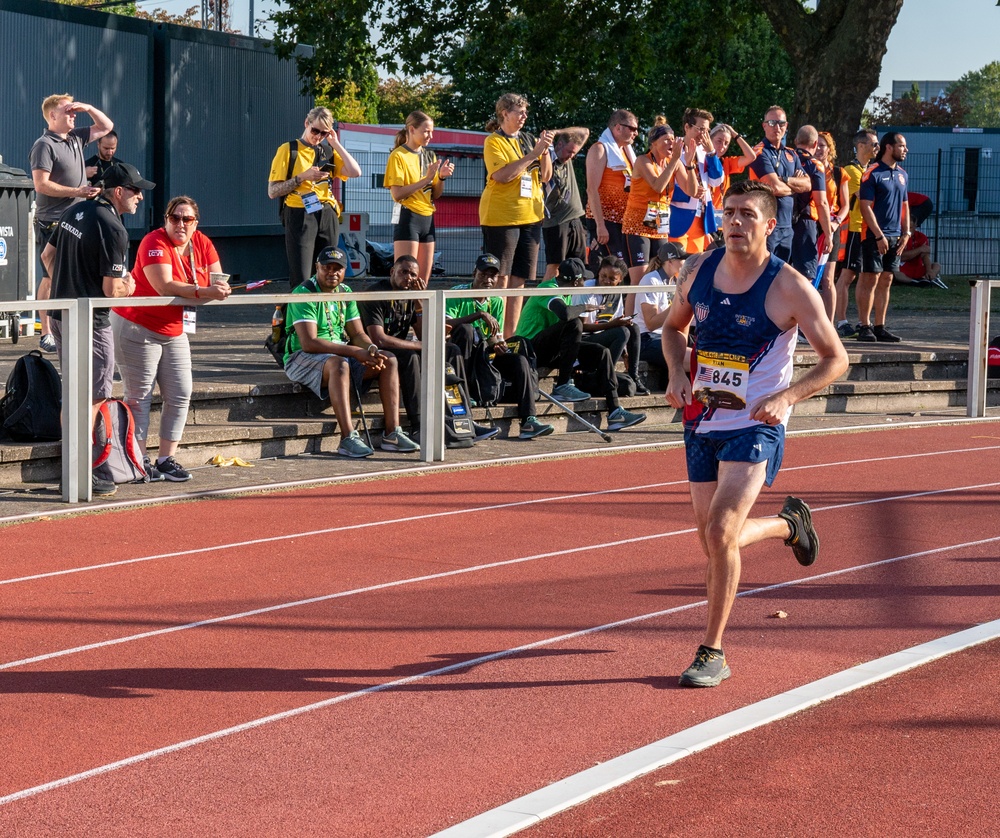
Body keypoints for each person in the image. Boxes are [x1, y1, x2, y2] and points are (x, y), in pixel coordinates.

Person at [661, 180, 848, 687]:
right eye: (729, 213)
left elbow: (837, 360)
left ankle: (712, 651)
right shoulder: (699, 269)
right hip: (701, 419)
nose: (736, 222)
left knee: (721, 531)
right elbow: (673, 328)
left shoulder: (789, 286)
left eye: (747, 214)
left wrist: (786, 397)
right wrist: (677, 373)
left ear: (769, 225)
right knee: (712, 539)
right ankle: (789, 526)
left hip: (756, 423)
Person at [41, 162, 153, 497]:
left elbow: (48, 257)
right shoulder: (114, 228)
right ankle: (81, 472)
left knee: (73, 393)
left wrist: (68, 282)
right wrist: (130, 286)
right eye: (135, 191)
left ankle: (69, 468)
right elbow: (111, 290)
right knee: (93, 397)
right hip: (91, 323)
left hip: (62, 314)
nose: (139, 199)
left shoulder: (76, 211)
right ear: (118, 192)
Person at [111, 195, 232, 482]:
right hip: (136, 325)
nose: (180, 223)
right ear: (165, 220)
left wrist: (217, 289)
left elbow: (218, 279)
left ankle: (166, 458)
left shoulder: (202, 242)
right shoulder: (153, 241)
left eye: (186, 219)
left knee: (181, 392)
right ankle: (139, 461)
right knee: (139, 397)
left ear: (195, 223)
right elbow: (163, 285)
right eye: (174, 218)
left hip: (174, 327)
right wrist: (204, 291)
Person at [282, 246, 418, 458]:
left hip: (339, 354)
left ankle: (392, 433)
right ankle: (347, 438)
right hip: (301, 357)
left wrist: (371, 348)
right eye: (327, 267)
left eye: (338, 268)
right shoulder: (304, 292)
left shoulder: (345, 292)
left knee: (388, 359)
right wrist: (355, 352)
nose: (332, 272)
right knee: (339, 364)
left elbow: (357, 334)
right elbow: (309, 343)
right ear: (317, 267)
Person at [358, 255, 497, 442]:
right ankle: (418, 426)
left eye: (413, 274)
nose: (408, 278)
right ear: (392, 272)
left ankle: (465, 419)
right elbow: (379, 339)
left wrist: (419, 303)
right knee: (411, 356)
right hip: (375, 350)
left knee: (452, 350)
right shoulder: (376, 294)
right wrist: (419, 345)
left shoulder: (411, 294)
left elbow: (425, 335)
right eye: (403, 272)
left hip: (400, 346)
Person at [514, 257, 645, 431]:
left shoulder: (567, 294)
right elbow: (565, 314)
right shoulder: (548, 288)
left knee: (602, 352)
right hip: (530, 347)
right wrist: (584, 307)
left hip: (553, 350)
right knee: (575, 323)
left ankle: (615, 412)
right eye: (583, 279)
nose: (586, 282)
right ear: (577, 281)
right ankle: (562, 385)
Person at [30, 93, 114, 354]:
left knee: (71, 275)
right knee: (52, 276)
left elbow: (106, 127)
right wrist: (77, 191)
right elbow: (40, 184)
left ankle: (69, 327)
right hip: (52, 220)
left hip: (75, 217)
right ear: (52, 116)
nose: (73, 114)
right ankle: (48, 332)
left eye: (74, 111)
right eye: (68, 111)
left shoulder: (76, 136)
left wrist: (88, 107)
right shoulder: (44, 145)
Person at [445, 253, 555, 439]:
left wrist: (499, 346)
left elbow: (495, 337)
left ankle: (529, 420)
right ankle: (466, 393)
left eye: (492, 276)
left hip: (485, 354)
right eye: (483, 274)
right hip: (461, 352)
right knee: (466, 330)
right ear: (474, 273)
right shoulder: (458, 293)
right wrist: (479, 315)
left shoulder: (496, 301)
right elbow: (446, 326)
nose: (488, 280)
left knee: (519, 360)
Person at [479, 93, 555, 337]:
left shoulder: (528, 139)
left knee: (520, 279)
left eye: (525, 112)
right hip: (502, 218)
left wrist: (544, 152)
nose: (524, 116)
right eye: (518, 112)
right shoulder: (494, 141)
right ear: (504, 113)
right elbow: (502, 176)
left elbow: (545, 176)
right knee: (501, 278)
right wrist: (533, 154)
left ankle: (512, 336)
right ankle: (495, 334)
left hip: (530, 216)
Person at [267, 106, 362, 289]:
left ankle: (325, 314)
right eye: (315, 130)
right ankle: (300, 315)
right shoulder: (289, 150)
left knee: (329, 271)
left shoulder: (328, 152)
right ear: (306, 123)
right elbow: (273, 191)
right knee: (302, 274)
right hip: (299, 211)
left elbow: (355, 171)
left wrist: (335, 144)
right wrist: (302, 177)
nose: (317, 136)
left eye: (324, 133)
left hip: (326, 212)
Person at [620, 119, 691, 312]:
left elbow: (691, 190)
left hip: (659, 225)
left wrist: (689, 162)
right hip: (637, 224)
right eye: (666, 140)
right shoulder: (643, 161)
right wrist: (676, 160)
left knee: (665, 271)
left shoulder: (673, 163)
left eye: (673, 139)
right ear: (654, 143)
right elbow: (658, 185)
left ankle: (656, 316)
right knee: (640, 276)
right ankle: (629, 323)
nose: (671, 143)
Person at [384, 110, 455, 283]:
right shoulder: (398, 155)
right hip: (409, 217)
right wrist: (427, 179)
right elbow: (397, 193)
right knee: (404, 278)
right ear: (411, 129)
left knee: (422, 281)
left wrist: (441, 177)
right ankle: (400, 310)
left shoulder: (430, 155)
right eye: (426, 131)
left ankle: (419, 311)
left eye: (432, 131)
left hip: (427, 218)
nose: (430, 135)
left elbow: (435, 194)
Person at [856, 132, 911, 342]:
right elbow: (865, 207)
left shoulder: (903, 175)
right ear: (889, 147)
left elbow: (905, 205)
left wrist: (906, 233)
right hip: (874, 235)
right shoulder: (873, 173)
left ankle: (880, 325)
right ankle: (864, 325)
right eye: (902, 146)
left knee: (887, 279)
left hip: (896, 236)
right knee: (871, 278)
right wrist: (879, 235)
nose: (905, 150)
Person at [572, 255, 646, 393]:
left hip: (601, 338)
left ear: (620, 280)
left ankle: (633, 375)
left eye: (612, 279)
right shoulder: (586, 289)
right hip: (583, 342)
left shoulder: (616, 293)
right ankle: (605, 377)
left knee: (633, 327)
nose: (606, 281)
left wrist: (625, 354)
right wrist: (611, 325)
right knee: (622, 331)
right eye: (603, 276)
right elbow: (580, 328)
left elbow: (617, 322)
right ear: (598, 272)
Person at [747, 106, 810, 261]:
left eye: (781, 123)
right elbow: (773, 187)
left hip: (787, 225)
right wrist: (795, 187)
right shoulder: (759, 152)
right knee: (762, 271)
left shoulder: (791, 153)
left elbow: (808, 184)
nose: (777, 127)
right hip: (765, 225)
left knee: (780, 274)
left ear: (786, 126)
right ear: (764, 125)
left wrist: (785, 180)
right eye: (772, 122)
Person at [833, 129, 879, 338]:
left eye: (878, 144)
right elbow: (862, 197)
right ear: (861, 145)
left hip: (864, 229)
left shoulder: (868, 170)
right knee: (847, 275)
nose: (876, 147)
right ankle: (841, 321)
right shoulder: (852, 171)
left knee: (860, 275)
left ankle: (862, 322)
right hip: (854, 228)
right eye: (873, 143)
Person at [585, 109, 639, 266]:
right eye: (632, 128)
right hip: (605, 220)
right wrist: (600, 226)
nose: (636, 133)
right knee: (610, 268)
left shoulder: (627, 153)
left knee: (622, 268)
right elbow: (591, 189)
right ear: (618, 127)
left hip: (623, 221)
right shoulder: (600, 149)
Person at [669, 108, 725, 255]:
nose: (704, 134)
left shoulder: (704, 152)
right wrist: (689, 192)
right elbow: (662, 184)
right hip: (678, 215)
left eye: (707, 130)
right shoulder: (672, 149)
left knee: (693, 267)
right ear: (687, 127)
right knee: (676, 266)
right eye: (700, 129)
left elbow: (716, 181)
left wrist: (712, 153)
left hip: (700, 217)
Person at [789, 126, 834, 304]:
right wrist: (828, 233)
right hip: (805, 222)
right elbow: (821, 202)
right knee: (805, 277)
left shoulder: (786, 158)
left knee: (778, 272)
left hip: (782, 220)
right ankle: (798, 324)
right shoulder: (815, 165)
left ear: (795, 141)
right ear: (815, 144)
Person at [633, 241, 685, 388]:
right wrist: (678, 305)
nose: (685, 262)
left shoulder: (675, 281)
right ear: (670, 261)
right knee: (695, 358)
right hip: (646, 339)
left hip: (665, 336)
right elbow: (651, 323)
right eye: (682, 259)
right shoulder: (651, 280)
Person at [541, 127, 590, 280]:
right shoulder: (547, 158)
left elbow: (585, 132)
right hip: (556, 222)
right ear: (560, 144)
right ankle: (541, 299)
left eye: (574, 153)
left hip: (575, 219)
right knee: (555, 266)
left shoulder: (568, 158)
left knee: (579, 265)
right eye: (569, 151)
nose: (571, 156)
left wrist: (556, 131)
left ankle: (572, 301)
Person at [815, 131, 849, 321]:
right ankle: (807, 323)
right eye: (816, 145)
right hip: (811, 224)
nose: (819, 149)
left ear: (830, 148)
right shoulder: (805, 169)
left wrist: (835, 223)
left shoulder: (839, 173)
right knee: (807, 276)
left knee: (828, 278)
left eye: (823, 145)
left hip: (832, 226)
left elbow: (845, 206)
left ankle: (829, 323)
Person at [709, 124, 757, 215]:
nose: (722, 146)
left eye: (726, 143)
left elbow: (751, 157)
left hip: (720, 214)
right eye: (719, 141)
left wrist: (735, 134)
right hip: (703, 213)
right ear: (710, 140)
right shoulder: (699, 161)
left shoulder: (726, 163)